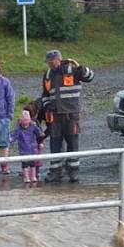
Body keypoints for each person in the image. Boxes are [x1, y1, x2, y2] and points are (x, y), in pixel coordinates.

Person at [39, 50, 94, 183]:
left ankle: (73, 171)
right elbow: (45, 95)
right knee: (55, 144)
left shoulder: (72, 69)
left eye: (52, 62)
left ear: (59, 59)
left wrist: (79, 66)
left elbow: (90, 77)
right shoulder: (47, 74)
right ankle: (56, 171)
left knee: (73, 143)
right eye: (48, 63)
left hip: (71, 115)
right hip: (55, 116)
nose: (50, 65)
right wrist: (47, 106)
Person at [10, 110, 44, 184]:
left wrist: (41, 141)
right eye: (24, 122)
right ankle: (26, 177)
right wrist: (11, 139)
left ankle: (33, 176)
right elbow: (15, 135)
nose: (25, 125)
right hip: (23, 150)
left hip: (32, 149)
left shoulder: (33, 126)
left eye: (27, 122)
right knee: (25, 165)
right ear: (21, 121)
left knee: (33, 164)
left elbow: (39, 134)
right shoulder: (18, 128)